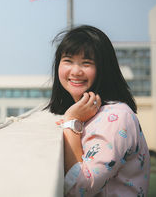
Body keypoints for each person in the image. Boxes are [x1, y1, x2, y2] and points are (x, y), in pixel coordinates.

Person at [45, 25, 150, 196]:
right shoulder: (87, 113)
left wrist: (72, 121)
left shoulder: (116, 117)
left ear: (104, 69)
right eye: (68, 61)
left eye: (86, 63)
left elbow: (80, 187)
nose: (76, 71)